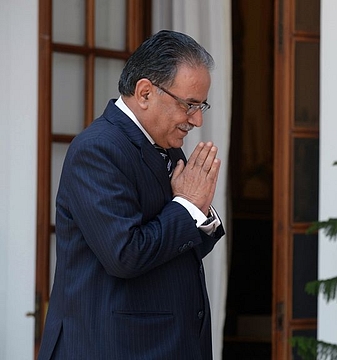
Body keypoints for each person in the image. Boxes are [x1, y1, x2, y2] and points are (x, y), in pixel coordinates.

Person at [38, 30, 225, 360]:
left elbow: (179, 248)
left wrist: (200, 213)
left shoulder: (166, 145)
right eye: (189, 105)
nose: (196, 120)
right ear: (144, 93)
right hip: (113, 347)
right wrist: (187, 206)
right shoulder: (97, 149)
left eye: (202, 106)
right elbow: (126, 254)